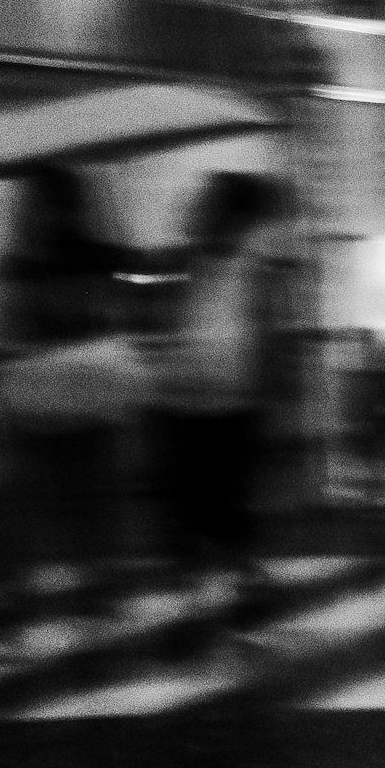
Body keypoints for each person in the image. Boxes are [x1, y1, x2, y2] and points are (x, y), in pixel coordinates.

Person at [0, 161, 144, 628]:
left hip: (80, 400)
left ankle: (96, 595)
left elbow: (111, 313)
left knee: (86, 504)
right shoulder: (19, 264)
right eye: (32, 204)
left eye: (44, 203)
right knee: (21, 507)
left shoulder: (86, 258)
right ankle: (17, 603)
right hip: (39, 401)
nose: (36, 214)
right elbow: (5, 334)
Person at [144, 170, 289, 622]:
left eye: (209, 203)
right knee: (187, 494)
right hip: (181, 398)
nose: (201, 210)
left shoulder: (254, 263)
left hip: (235, 403)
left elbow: (268, 331)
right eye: (202, 203)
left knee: (226, 496)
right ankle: (202, 584)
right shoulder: (186, 262)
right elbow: (165, 320)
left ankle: (244, 575)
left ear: (232, 215)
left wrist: (270, 396)